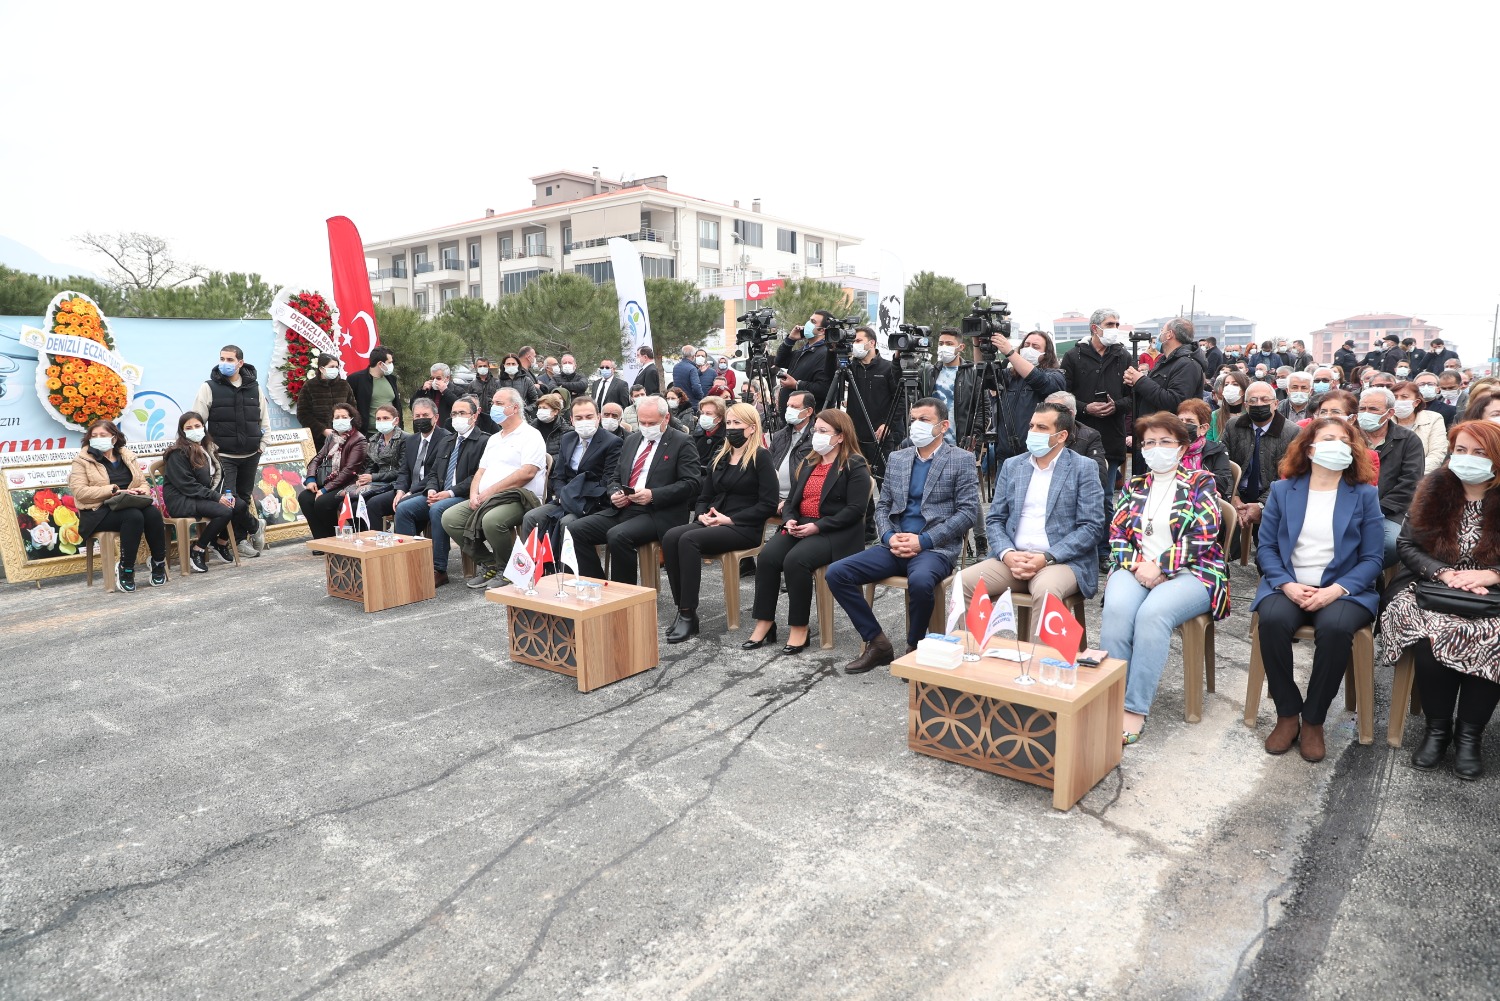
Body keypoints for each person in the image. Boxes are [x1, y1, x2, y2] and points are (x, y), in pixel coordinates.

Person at [1249, 418, 1384, 761]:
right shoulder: (1283, 490)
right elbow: (1266, 548)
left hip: (1344, 589)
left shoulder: (1364, 495)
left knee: (1336, 628)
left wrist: (1337, 590)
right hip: (1289, 583)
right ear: (1310, 449)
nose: (1337, 445)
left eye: (1344, 440)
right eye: (1328, 439)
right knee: (1273, 621)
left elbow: (1372, 558)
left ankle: (1313, 719)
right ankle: (1287, 713)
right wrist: (1286, 584)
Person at [1099, 412, 1230, 744]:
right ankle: (1109, 697)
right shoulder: (1135, 485)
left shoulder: (1200, 481)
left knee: (1152, 614)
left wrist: (1161, 566)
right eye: (1149, 443)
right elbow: (1117, 533)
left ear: (1182, 447)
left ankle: (1134, 707)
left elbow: (1204, 534)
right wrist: (1138, 565)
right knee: (1116, 610)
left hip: (1192, 571)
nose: (1156, 449)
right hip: (1136, 566)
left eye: (1165, 442)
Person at [1381, 420, 1500, 780]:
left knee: (1494, 636)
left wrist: (1492, 575)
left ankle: (1469, 736)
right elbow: (1407, 544)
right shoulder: (1434, 488)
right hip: (1430, 586)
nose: (1467, 458)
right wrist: (1443, 573)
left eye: (1479, 452)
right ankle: (1437, 729)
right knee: (1431, 633)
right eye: (1460, 450)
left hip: (1490, 594)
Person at [827, 399, 980, 672]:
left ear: (943, 426)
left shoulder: (961, 459)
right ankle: (878, 643)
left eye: (924, 420)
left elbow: (968, 512)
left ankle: (915, 647)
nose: (916, 425)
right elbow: (883, 505)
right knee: (837, 573)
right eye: (913, 420)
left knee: (920, 582)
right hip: (895, 544)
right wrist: (888, 537)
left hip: (934, 548)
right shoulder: (898, 458)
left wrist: (924, 541)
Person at [960, 402, 1106, 620]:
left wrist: (1047, 557)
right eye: (1031, 426)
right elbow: (995, 519)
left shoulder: (1083, 467)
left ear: (1061, 435)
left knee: (1047, 592)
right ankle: (971, 642)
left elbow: (1091, 527)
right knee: (964, 582)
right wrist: (1007, 554)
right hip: (1012, 559)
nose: (1033, 432)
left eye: (1042, 427)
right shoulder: (1013, 465)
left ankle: (1039, 646)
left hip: (1062, 561)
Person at [745, 411, 873, 654]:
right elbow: (792, 501)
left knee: (796, 561)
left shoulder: (854, 465)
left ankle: (799, 627)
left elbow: (856, 510)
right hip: (801, 524)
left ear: (840, 436)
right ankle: (765, 621)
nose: (817, 435)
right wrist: (790, 519)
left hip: (833, 531)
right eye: (816, 430)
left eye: (824, 431)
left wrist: (818, 526)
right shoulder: (809, 462)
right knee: (767, 557)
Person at [660, 403, 778, 642]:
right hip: (714, 521)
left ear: (752, 428)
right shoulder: (721, 455)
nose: (731, 428)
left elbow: (768, 504)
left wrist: (730, 519)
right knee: (671, 536)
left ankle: (688, 613)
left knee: (688, 539)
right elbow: (704, 496)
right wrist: (701, 515)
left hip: (743, 527)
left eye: (737, 423)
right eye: (729, 423)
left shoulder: (761, 457)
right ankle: (683, 609)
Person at [567, 396, 704, 585]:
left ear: (666, 418)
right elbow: (615, 477)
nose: (646, 427)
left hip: (658, 513)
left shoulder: (682, 442)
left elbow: (692, 483)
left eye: (652, 423)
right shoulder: (632, 440)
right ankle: (599, 585)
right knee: (574, 530)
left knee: (618, 536)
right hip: (625, 508)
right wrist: (615, 493)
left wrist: (653, 495)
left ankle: (625, 594)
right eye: (642, 422)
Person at [443, 388, 547, 589]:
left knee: (492, 520)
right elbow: (481, 471)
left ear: (514, 408)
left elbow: (526, 473)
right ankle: (489, 563)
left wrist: (489, 492)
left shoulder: (530, 435)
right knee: (450, 518)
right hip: (487, 498)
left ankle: (508, 569)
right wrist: (474, 494)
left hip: (519, 498)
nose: (493, 407)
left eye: (499, 403)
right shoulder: (494, 438)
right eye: (493, 403)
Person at [393, 395, 489, 587]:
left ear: (474, 416)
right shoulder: (448, 441)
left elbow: (478, 476)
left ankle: (439, 569)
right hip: (439, 494)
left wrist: (450, 493)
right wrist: (431, 489)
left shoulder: (484, 441)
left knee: (438, 509)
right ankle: (410, 563)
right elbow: (434, 472)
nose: (457, 417)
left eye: (462, 413)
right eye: (454, 413)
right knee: (404, 508)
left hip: (464, 496)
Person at [69, 419, 170, 591]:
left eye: (103, 435)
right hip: (97, 511)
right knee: (133, 516)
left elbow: (142, 482)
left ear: (114, 438)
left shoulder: (127, 457)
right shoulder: (82, 460)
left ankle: (158, 562)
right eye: (94, 436)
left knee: (152, 513)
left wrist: (141, 491)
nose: (98, 439)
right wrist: (114, 490)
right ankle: (126, 568)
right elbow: (80, 492)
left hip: (127, 504)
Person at [191, 344, 270, 557]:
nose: (224, 363)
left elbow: (264, 418)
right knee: (232, 500)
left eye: (229, 360)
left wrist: (262, 445)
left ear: (240, 363)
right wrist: (207, 449)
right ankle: (255, 526)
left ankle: (238, 540)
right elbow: (197, 421)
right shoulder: (209, 387)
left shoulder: (254, 387)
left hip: (251, 454)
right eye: (222, 359)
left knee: (244, 497)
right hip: (223, 455)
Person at [518, 395, 623, 551]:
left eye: (589, 417)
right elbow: (558, 475)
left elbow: (608, 480)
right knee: (531, 517)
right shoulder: (568, 438)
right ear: (572, 420)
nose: (584, 421)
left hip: (592, 502)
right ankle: (533, 565)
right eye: (579, 418)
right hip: (566, 498)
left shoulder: (612, 442)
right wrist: (563, 495)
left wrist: (573, 498)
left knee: (567, 522)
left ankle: (565, 566)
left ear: (598, 417)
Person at [161, 411, 262, 572]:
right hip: (182, 499)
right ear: (182, 431)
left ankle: (220, 543)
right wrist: (216, 497)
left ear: (203, 427)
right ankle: (198, 549)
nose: (194, 430)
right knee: (224, 511)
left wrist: (225, 495)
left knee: (239, 505)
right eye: (189, 428)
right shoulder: (178, 453)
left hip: (201, 496)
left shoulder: (208, 449)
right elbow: (188, 485)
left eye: (197, 426)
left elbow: (216, 478)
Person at [1062, 307, 1131, 495]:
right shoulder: (1072, 356)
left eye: (1117, 324)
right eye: (1110, 324)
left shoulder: (1123, 356)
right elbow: (1063, 395)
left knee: (1106, 495)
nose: (1115, 328)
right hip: (1079, 435)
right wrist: (1085, 408)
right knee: (1076, 493)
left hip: (1112, 435)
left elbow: (1133, 397)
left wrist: (1116, 406)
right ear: (1094, 328)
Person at [1358, 387, 1426, 565]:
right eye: (1362, 409)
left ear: (1390, 413)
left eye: (1373, 409)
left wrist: (1377, 509)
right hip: (1351, 508)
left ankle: (1369, 573)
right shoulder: (1349, 437)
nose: (1366, 413)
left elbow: (1410, 482)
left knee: (1391, 543)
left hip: (1390, 511)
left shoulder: (1408, 440)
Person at [1225, 382, 1301, 537]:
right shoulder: (1233, 426)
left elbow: (1289, 475)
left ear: (1276, 404)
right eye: (1253, 400)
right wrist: (1234, 498)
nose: (1259, 404)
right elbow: (1224, 465)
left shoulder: (1293, 432)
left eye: (1265, 399)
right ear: (1246, 405)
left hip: (1272, 498)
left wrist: (1262, 505)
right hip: (1237, 494)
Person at [390, 398, 451, 570]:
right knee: (383, 502)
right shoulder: (411, 440)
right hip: (411, 488)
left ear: (435, 417)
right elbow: (404, 471)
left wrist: (411, 491)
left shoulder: (445, 438)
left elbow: (437, 473)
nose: (421, 419)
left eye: (425, 415)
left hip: (432, 489)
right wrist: (400, 490)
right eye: (417, 416)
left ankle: (414, 560)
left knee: (404, 507)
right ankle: (399, 556)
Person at [990, 329, 1068, 461]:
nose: (1029, 349)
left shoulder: (1055, 375)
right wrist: (978, 346)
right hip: (1006, 454)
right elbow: (987, 378)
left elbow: (1040, 381)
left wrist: (1010, 353)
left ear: (1046, 353)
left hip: (1037, 453)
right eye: (1026, 345)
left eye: (1035, 346)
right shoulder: (1009, 375)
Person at [296, 403, 369, 539]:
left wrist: (325, 490)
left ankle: (333, 537)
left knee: (322, 502)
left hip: (348, 484)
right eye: (337, 417)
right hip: (329, 481)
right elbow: (317, 459)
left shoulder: (359, 440)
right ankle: (321, 539)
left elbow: (349, 471)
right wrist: (310, 478)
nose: (340, 420)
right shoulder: (332, 437)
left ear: (352, 419)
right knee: (304, 498)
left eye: (344, 417)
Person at [1124, 318, 1204, 436]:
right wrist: (1136, 381)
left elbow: (1176, 401)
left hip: (1168, 434)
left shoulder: (1187, 364)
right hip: (1152, 431)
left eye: (1162, 331)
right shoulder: (1165, 360)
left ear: (1169, 334)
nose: (1159, 335)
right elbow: (1157, 390)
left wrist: (1140, 381)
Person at [352, 403, 407, 527]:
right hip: (378, 484)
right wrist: (364, 477)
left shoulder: (404, 439)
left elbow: (401, 470)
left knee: (372, 504)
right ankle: (363, 536)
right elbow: (371, 464)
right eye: (378, 419)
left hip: (396, 484)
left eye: (385, 418)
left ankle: (376, 536)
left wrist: (373, 477)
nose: (381, 421)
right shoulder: (374, 439)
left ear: (396, 420)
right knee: (354, 504)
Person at [848, 324, 898, 460]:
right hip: (854, 437)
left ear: (872, 343)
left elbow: (900, 399)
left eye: (858, 341)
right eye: (853, 341)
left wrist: (888, 424)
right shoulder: (850, 368)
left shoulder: (888, 368)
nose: (855, 345)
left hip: (880, 435)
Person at [920, 328, 976, 446]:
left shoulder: (972, 373)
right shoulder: (929, 372)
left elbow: (982, 408)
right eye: (941, 344)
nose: (944, 347)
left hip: (959, 443)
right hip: (930, 441)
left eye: (949, 344)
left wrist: (975, 437)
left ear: (961, 347)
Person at [774, 311, 836, 413]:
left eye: (813, 322)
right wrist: (790, 340)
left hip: (809, 416)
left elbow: (824, 389)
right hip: (791, 415)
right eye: (809, 320)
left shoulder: (826, 353)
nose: (808, 324)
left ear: (822, 331)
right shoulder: (804, 349)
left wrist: (796, 384)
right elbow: (780, 361)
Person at [1046, 391, 1108, 491]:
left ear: (1071, 414)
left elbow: (1099, 477)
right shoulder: (1039, 433)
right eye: (1045, 411)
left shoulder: (1090, 436)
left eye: (1054, 412)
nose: (1047, 416)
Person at [767, 390, 817, 508]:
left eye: (794, 407)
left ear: (808, 411)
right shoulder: (779, 435)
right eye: (788, 406)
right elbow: (768, 465)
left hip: (799, 501)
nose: (789, 410)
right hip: (773, 498)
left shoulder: (817, 438)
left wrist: (790, 503)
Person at [1177, 398, 1233, 498]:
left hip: (1205, 499)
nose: (1183, 425)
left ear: (1203, 428)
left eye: (1189, 421)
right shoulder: (1168, 448)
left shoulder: (1217, 449)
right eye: (1180, 421)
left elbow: (1221, 484)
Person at [297, 353, 358, 443]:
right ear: (321, 369)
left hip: (342, 435)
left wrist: (346, 427)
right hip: (318, 439)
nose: (335, 369)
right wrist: (323, 430)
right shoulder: (309, 386)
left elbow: (352, 409)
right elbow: (303, 414)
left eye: (336, 367)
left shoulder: (344, 385)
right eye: (331, 367)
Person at [1393, 380, 1448, 474]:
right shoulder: (1386, 420)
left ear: (1416, 402)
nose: (1398, 401)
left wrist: (1411, 474)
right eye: (1395, 397)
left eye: (1404, 397)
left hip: (1423, 475)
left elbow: (1437, 454)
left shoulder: (1433, 418)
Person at [349, 347, 403, 435]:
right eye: (390, 362)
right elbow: (350, 406)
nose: (392, 365)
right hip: (368, 434)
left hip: (392, 432)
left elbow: (397, 405)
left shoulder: (391, 379)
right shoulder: (356, 379)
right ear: (380, 364)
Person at [410, 363, 460, 430]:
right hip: (427, 429)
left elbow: (459, 406)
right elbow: (412, 406)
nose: (434, 381)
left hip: (447, 430)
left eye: (438, 378)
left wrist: (445, 391)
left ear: (447, 378)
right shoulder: (427, 390)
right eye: (432, 378)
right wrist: (422, 391)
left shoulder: (457, 390)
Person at [1207, 371, 1250, 442]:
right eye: (1226, 385)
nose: (1229, 387)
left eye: (1235, 384)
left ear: (1243, 390)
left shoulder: (1251, 414)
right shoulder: (1215, 415)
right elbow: (1209, 441)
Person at [532, 391, 570, 456]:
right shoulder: (532, 427)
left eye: (545, 408)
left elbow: (565, 454)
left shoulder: (565, 430)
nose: (541, 410)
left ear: (555, 411)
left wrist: (549, 460)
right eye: (539, 408)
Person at [692, 395, 727, 466]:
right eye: (702, 413)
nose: (704, 416)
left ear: (719, 418)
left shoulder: (726, 439)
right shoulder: (696, 435)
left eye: (708, 413)